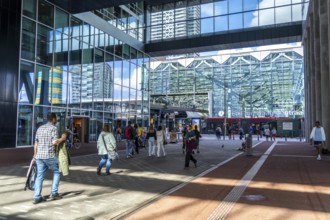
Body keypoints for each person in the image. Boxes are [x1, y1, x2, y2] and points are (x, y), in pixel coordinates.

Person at [33, 112, 61, 204]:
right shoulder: (53, 128)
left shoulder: (40, 128)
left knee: (39, 176)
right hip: (49, 155)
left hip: (39, 156)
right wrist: (62, 139)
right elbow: (54, 142)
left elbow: (36, 143)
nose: (56, 120)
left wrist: (35, 155)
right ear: (53, 119)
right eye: (56, 118)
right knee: (57, 172)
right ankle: (54, 192)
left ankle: (37, 197)